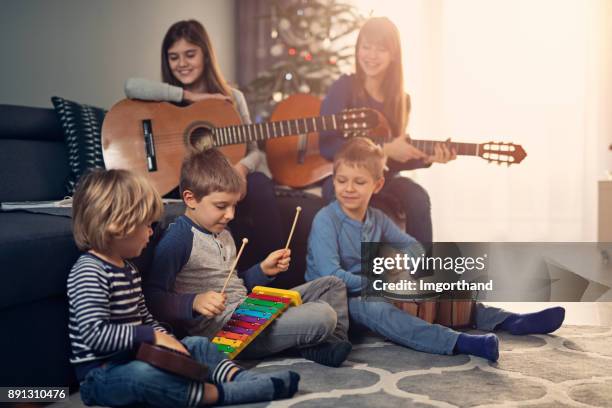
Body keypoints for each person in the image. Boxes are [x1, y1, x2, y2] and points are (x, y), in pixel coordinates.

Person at [306, 137, 566, 362]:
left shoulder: (377, 219)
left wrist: (414, 270)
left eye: (359, 182)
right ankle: (458, 342)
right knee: (377, 310)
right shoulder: (326, 220)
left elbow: (411, 246)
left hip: (369, 287)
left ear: (377, 185)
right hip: (335, 299)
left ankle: (509, 320)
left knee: (444, 288)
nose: (348, 188)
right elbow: (333, 277)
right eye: (342, 181)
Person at [67, 169, 299, 407]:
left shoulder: (129, 270)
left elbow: (146, 319)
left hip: (139, 356)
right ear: (118, 226)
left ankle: (241, 379)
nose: (151, 231)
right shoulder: (88, 271)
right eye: (147, 224)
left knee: (196, 344)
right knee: (144, 377)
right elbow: (94, 334)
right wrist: (153, 337)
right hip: (102, 375)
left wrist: (171, 343)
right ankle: (220, 395)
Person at [144, 148, 352, 367]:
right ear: (191, 198)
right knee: (323, 315)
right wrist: (194, 301)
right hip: (226, 333)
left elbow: (235, 284)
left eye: (234, 205)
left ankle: (327, 347)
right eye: (221, 206)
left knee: (333, 285)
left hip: (249, 310)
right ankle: (315, 339)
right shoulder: (178, 239)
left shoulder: (223, 232)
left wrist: (262, 270)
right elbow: (153, 298)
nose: (231, 214)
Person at [124, 19, 282, 272]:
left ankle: (272, 277)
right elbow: (130, 86)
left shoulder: (232, 97)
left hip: (224, 179)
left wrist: (240, 169)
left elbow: (253, 150)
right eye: (174, 57)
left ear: (205, 55)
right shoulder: (165, 96)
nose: (182, 63)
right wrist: (191, 97)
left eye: (190, 54)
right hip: (178, 182)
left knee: (260, 185)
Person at [320, 17, 456, 245]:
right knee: (336, 193)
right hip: (346, 176)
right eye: (366, 47)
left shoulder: (402, 100)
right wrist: (383, 147)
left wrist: (426, 158)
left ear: (393, 54)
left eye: (380, 49)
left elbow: (393, 160)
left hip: (383, 177)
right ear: (358, 49)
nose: (371, 55)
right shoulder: (344, 87)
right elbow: (327, 146)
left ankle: (422, 274)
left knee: (418, 196)